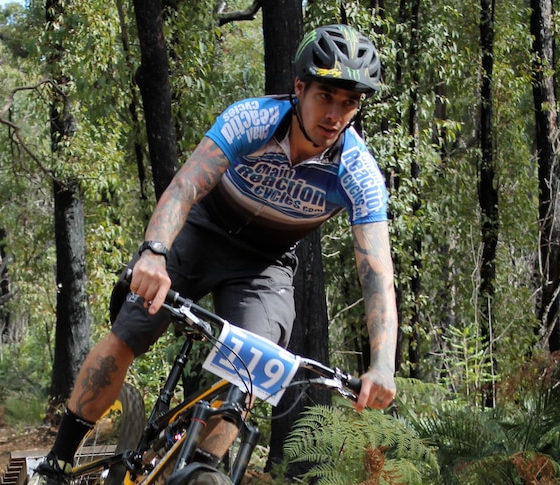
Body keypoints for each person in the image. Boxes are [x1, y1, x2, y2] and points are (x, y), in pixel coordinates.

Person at [31, 24, 398, 485]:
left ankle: (202, 473)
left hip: (264, 266)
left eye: (350, 103)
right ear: (299, 88)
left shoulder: (358, 171)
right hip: (202, 234)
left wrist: (382, 364)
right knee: (132, 329)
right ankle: (58, 462)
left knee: (253, 365)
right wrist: (154, 253)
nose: (336, 114)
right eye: (326, 95)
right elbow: (186, 186)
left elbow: (377, 272)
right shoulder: (252, 119)